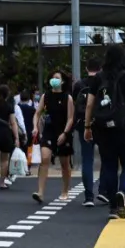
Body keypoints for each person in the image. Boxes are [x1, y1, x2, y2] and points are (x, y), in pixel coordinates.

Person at [82, 45, 125, 220]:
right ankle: (123, 192)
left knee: (110, 165)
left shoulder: (98, 78)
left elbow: (90, 104)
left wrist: (87, 127)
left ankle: (113, 207)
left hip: (103, 128)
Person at [32, 71, 74, 204]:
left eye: (57, 78)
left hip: (63, 131)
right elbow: (37, 113)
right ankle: (40, 192)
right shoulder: (46, 96)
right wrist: (35, 127)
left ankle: (65, 191)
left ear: (62, 81)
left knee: (64, 164)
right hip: (49, 131)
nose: (54, 80)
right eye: (52, 78)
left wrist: (65, 133)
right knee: (45, 158)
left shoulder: (68, 98)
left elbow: (70, 118)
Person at [71, 57, 103, 207]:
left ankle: (89, 196)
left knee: (87, 160)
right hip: (102, 124)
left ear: (86, 69)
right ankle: (104, 192)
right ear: (100, 68)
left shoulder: (79, 85)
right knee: (107, 159)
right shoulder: (103, 82)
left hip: (84, 125)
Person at [0, 84, 20, 190]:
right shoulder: (9, 106)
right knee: (4, 159)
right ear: (8, 94)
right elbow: (13, 123)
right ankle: (2, 182)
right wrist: (16, 137)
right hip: (5, 133)